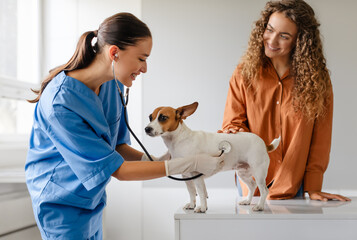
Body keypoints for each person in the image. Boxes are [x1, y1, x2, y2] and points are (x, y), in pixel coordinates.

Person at [25, 12, 224, 240]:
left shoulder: (111, 85)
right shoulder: (61, 102)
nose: (145, 68)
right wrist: (188, 163)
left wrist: (156, 162)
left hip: (92, 199)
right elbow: (117, 169)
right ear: (114, 53)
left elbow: (117, 147)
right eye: (141, 58)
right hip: (60, 203)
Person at [219, 0, 350, 202]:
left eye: (284, 36)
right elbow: (233, 122)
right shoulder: (244, 73)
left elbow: (320, 140)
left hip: (293, 184)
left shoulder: (317, 81)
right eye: (269, 30)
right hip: (251, 184)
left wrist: (314, 187)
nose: (272, 40)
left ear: (299, 41)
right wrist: (233, 135)